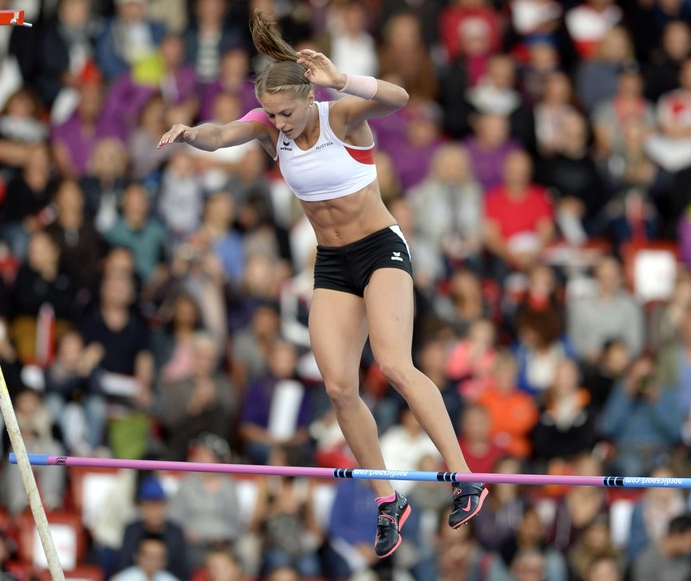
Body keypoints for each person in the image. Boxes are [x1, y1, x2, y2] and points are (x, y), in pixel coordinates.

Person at [157, 10, 487, 558]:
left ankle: (464, 475)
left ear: (309, 97)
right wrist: (193, 134)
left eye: (285, 112)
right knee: (337, 386)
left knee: (395, 365)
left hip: (380, 247)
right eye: (271, 114)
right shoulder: (269, 129)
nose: (279, 123)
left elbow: (401, 96)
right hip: (333, 262)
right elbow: (222, 135)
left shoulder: (343, 118)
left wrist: (342, 80)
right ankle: (388, 502)